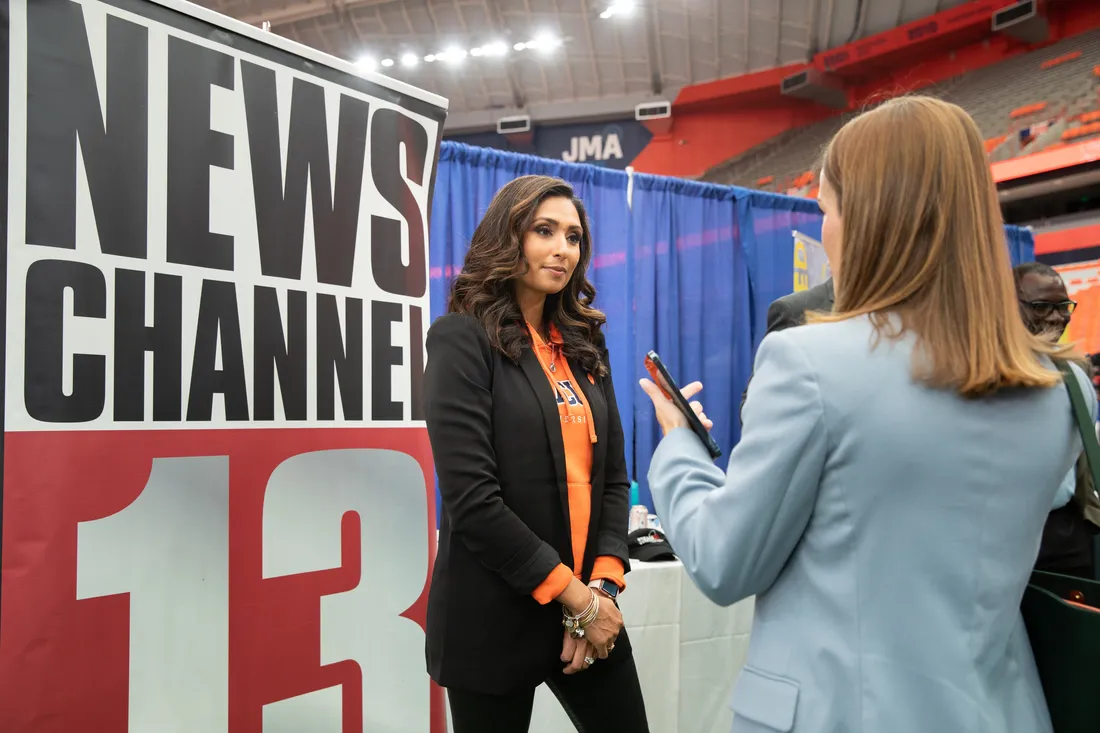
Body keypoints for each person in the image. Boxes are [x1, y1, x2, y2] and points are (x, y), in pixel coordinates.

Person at [640, 96, 1094, 733]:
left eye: (826, 210)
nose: (825, 230)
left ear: (869, 218)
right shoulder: (1062, 388)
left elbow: (722, 561)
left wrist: (679, 446)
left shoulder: (809, 363)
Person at [423, 175, 649, 732]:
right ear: (508, 237)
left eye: (573, 237)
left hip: (586, 610)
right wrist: (578, 600)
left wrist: (601, 587)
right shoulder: (462, 340)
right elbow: (474, 501)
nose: (562, 249)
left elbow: (613, 481)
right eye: (543, 231)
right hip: (494, 616)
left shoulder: (582, 347)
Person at [1015, 262, 1100, 579]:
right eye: (1041, 306)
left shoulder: (1075, 375)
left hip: (1064, 532)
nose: (1056, 316)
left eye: (1062, 306)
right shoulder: (978, 378)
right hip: (1004, 534)